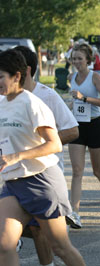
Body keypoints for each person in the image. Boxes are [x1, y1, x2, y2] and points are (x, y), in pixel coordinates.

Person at [0, 49, 85, 266]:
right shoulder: (2, 103)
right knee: (4, 243)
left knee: (60, 248)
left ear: (17, 76)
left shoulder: (33, 103)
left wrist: (17, 156)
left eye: (1, 76)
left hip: (41, 181)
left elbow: (54, 143)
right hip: (13, 182)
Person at [67, 43, 100, 228]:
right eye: (74, 58)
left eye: (80, 58)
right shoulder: (70, 77)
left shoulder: (95, 77)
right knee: (76, 171)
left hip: (95, 125)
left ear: (88, 60)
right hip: (77, 126)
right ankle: (75, 213)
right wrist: (68, 108)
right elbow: (74, 102)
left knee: (97, 170)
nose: (76, 62)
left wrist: (84, 98)